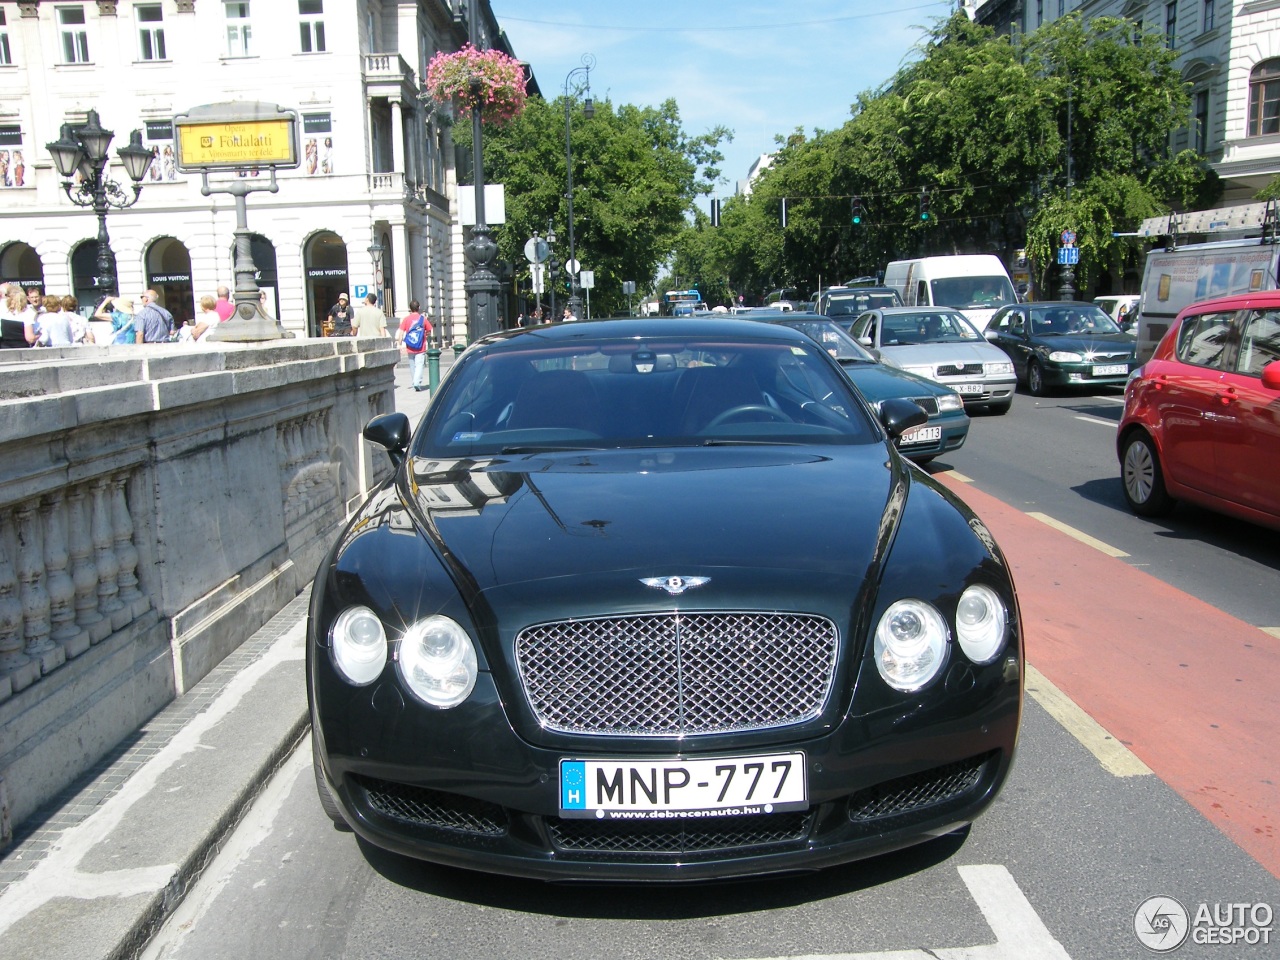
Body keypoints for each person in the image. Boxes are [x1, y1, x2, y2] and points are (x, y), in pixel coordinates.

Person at [395, 299, 433, 392]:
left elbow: (401, 332)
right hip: (421, 346)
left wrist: (399, 344)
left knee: (412, 365)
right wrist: (425, 334)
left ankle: (414, 381)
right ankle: (417, 382)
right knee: (419, 365)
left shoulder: (406, 319)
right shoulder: (423, 319)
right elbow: (429, 330)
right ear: (419, 308)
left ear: (410, 308)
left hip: (410, 346)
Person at [0, 282, 38, 348]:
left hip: (4, 348)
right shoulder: (28, 312)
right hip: (21, 349)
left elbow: (2, 293)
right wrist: (39, 335)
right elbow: (30, 338)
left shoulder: (2, 307)